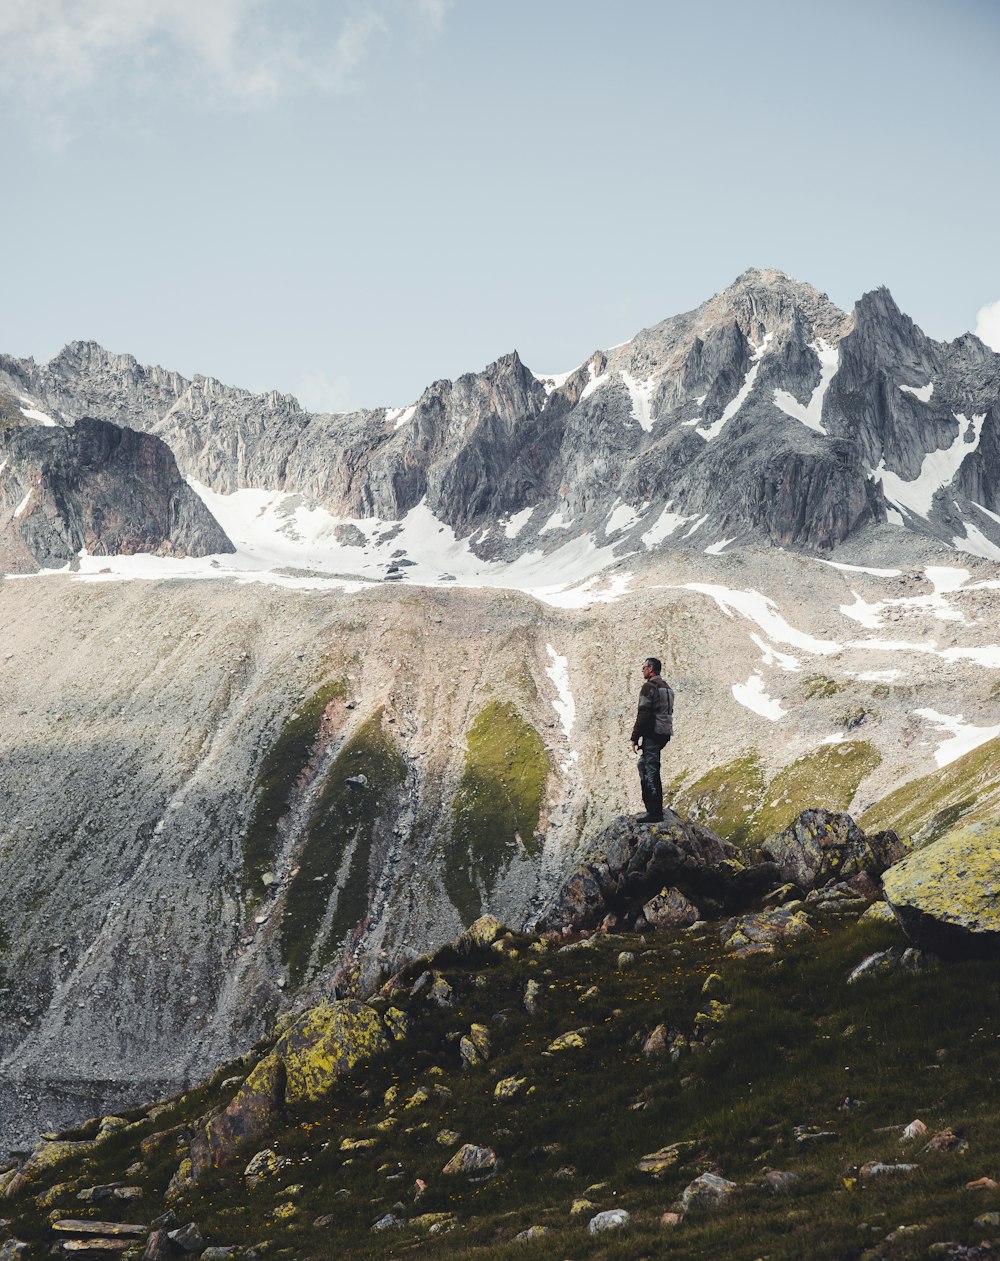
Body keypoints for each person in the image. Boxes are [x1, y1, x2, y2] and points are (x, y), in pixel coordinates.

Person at [629, 656, 674, 823]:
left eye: (643, 668)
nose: (642, 670)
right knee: (645, 764)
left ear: (650, 668)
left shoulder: (649, 687)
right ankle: (653, 809)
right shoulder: (667, 688)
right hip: (664, 733)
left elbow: (644, 714)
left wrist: (635, 737)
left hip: (653, 734)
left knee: (650, 769)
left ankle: (654, 813)